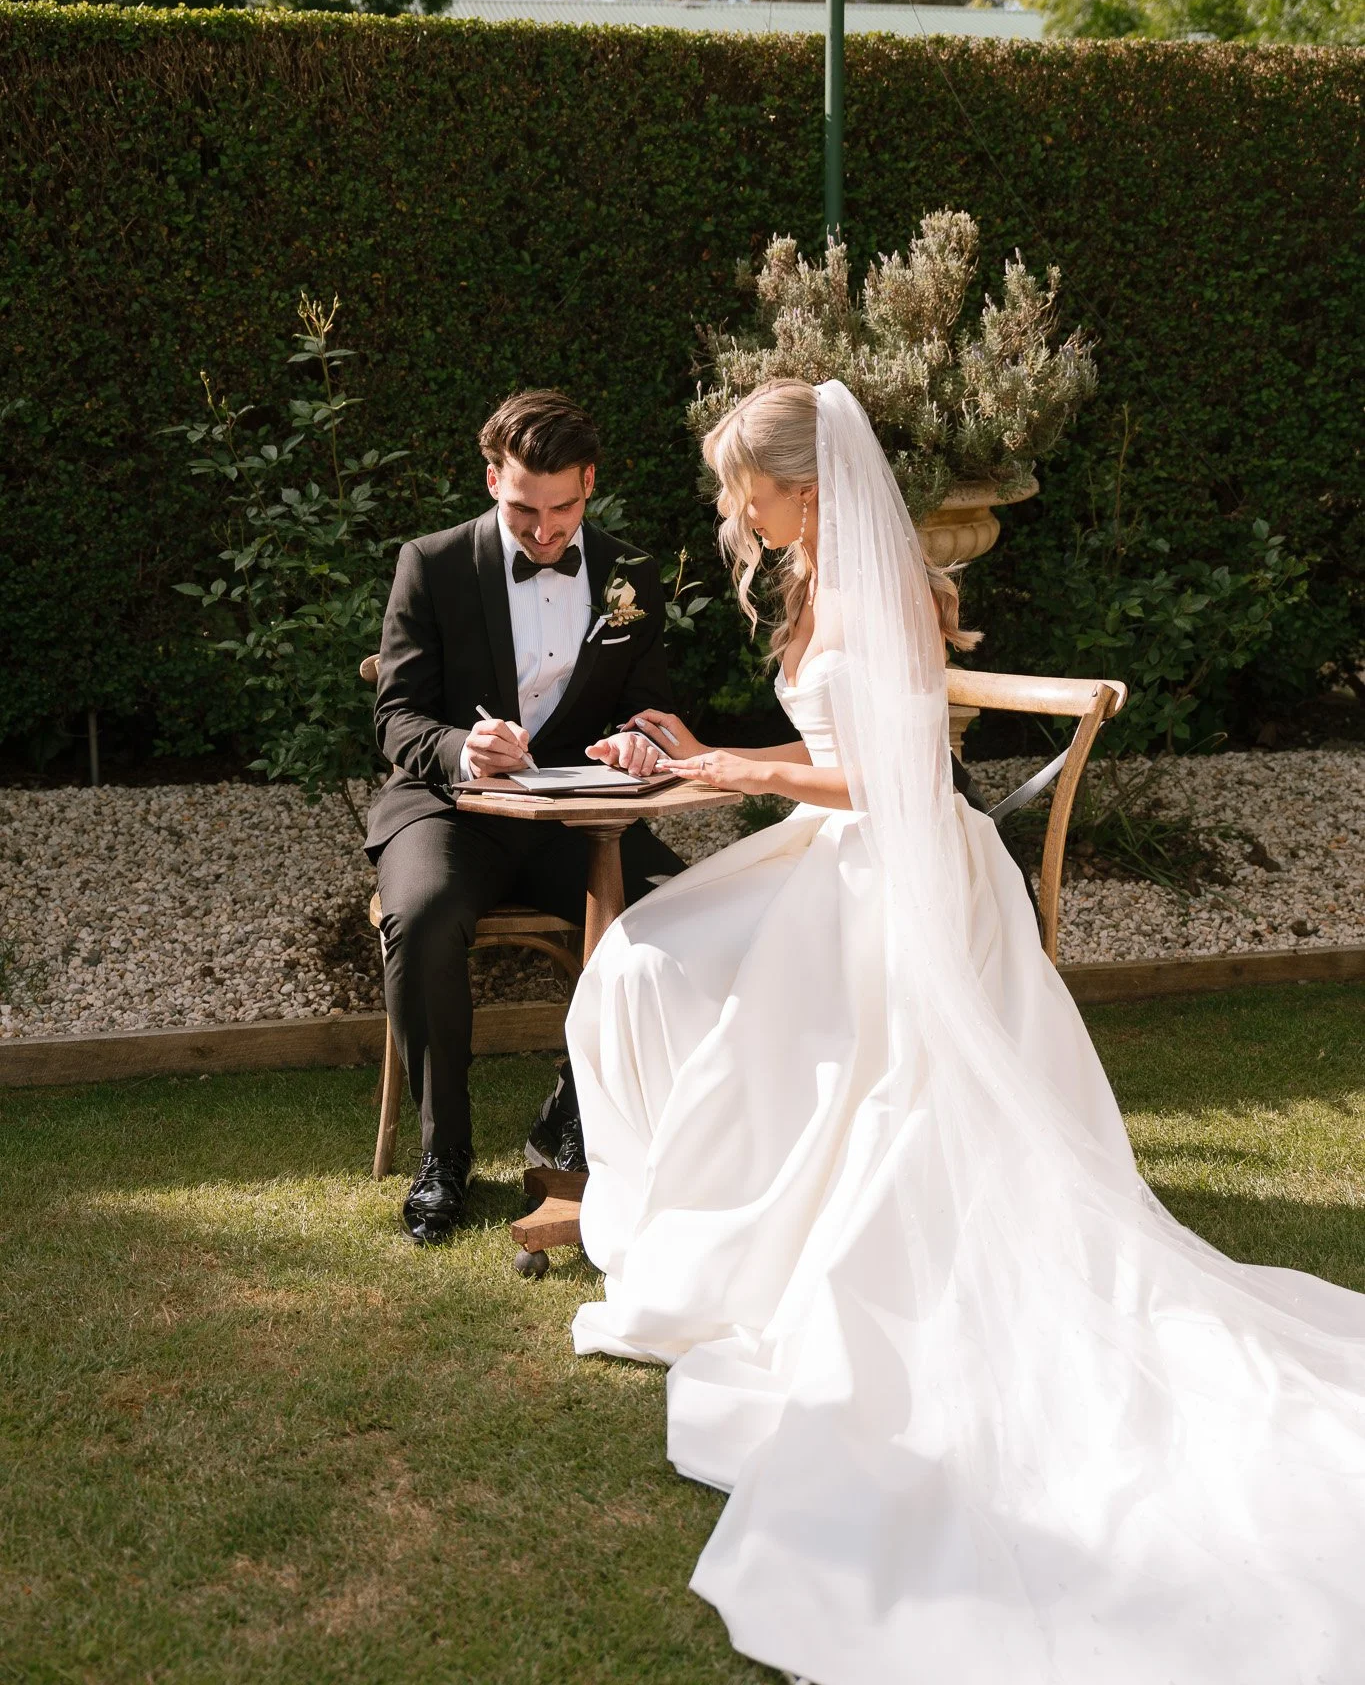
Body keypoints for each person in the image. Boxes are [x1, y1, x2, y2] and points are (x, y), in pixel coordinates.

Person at [566, 378, 1365, 1685]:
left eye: (740, 486)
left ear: (804, 491)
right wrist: (702, 747)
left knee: (670, 966)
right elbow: (830, 746)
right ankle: (685, 1204)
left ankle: (743, 1224)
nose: (729, 507)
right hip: (835, 853)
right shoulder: (815, 571)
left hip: (899, 874)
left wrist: (728, 769)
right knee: (643, 964)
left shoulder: (873, 587)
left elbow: (896, 775)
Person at [364, 389, 684, 1246]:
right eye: (521, 510)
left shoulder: (630, 576)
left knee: (685, 914)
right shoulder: (429, 564)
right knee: (424, 916)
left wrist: (636, 743)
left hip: (578, 823)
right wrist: (464, 746)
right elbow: (395, 717)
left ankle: (576, 1112)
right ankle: (445, 1158)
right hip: (449, 810)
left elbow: (647, 709)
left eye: (564, 509)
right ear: (490, 478)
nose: (544, 533)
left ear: (590, 482)